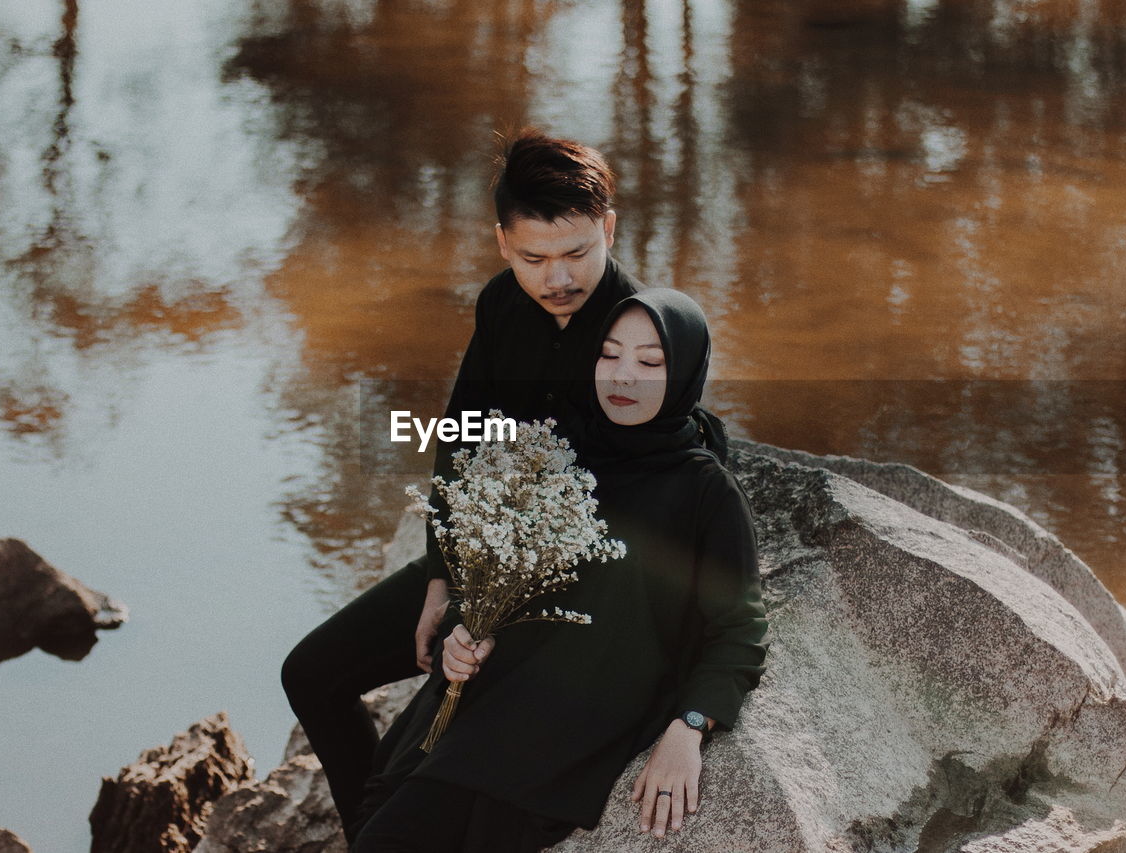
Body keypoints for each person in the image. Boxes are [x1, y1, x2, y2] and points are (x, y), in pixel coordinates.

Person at [281, 129, 645, 843]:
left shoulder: (637, 336)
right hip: (482, 560)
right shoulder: (504, 305)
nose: (558, 279)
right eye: (535, 258)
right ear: (504, 242)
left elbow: (641, 509)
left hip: (559, 601)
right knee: (310, 673)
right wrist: (442, 578)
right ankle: (367, 832)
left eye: (577, 253)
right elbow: (462, 437)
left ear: (608, 228)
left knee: (419, 765)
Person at [350, 289, 770, 851]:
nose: (623, 377)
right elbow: (498, 577)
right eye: (608, 354)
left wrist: (690, 726)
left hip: (577, 721)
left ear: (687, 373)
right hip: (491, 691)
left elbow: (738, 630)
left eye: (650, 362)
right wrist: (462, 634)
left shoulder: (705, 491)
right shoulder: (557, 449)